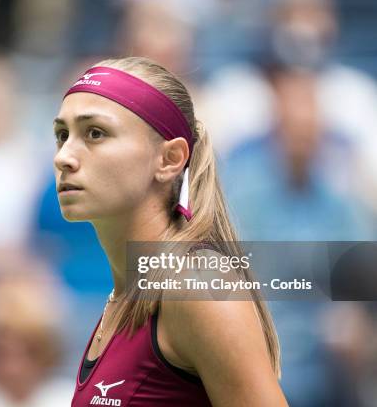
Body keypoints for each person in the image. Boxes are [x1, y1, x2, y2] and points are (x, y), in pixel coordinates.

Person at [53, 56, 288, 406]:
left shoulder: (197, 286)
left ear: (169, 159)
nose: (64, 157)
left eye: (95, 133)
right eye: (62, 135)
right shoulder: (125, 296)